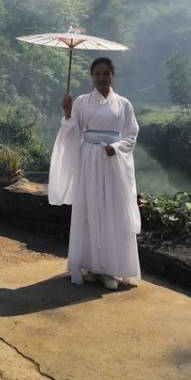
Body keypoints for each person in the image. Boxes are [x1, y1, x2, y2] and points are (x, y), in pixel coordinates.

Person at [48, 57, 140, 290]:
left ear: (112, 75)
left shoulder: (123, 104)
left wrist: (117, 148)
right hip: (88, 160)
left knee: (112, 210)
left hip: (112, 163)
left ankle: (110, 269)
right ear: (91, 76)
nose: (101, 78)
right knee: (89, 210)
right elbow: (72, 131)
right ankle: (89, 265)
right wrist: (67, 113)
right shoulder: (81, 102)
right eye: (97, 74)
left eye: (106, 73)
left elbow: (131, 135)